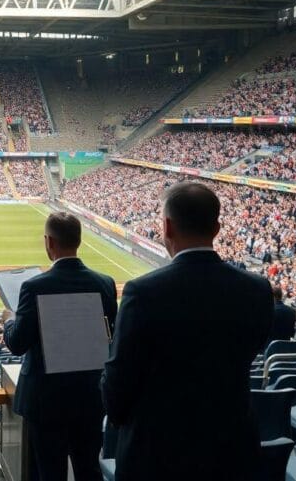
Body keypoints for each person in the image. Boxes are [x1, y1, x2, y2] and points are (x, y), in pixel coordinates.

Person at [101, 182, 273, 481]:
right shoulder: (257, 288)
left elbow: (119, 382)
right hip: (232, 449)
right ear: (217, 229)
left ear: (167, 227)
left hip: (158, 454)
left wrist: (116, 417)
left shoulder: (143, 291)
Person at [2, 211, 117, 481]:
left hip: (46, 401)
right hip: (90, 396)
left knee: (49, 472)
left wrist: (9, 320)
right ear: (79, 240)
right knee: (89, 468)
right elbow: (112, 337)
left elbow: (17, 343)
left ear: (48, 242)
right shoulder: (105, 283)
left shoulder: (34, 286)